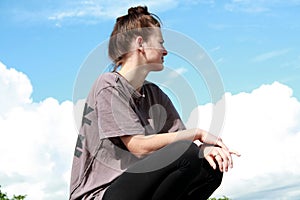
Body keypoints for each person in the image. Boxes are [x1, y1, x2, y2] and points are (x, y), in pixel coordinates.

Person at [69, 6, 240, 200]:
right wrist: (198, 134)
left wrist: (206, 149)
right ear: (140, 43)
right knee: (186, 152)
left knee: (210, 168)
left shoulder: (154, 94)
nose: (165, 51)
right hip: (100, 194)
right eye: (160, 42)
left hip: (136, 189)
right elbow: (138, 146)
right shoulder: (108, 86)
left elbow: (179, 141)